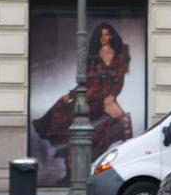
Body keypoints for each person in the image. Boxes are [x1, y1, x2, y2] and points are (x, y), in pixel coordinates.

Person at [31, 20, 135, 181]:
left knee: (124, 123)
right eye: (101, 35)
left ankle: (129, 165)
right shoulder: (92, 57)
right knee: (74, 128)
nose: (104, 38)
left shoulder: (119, 56)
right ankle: (72, 170)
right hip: (92, 97)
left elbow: (119, 81)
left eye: (107, 34)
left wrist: (112, 96)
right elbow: (86, 80)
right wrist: (72, 94)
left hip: (107, 98)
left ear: (111, 36)